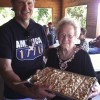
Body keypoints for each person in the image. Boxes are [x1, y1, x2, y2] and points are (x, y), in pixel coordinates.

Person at [0, 0, 55, 99]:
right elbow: (6, 69)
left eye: (29, 3)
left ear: (33, 4)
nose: (26, 8)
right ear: (13, 4)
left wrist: (68, 51)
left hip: (40, 89)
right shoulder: (4, 32)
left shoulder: (39, 28)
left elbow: (47, 52)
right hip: (16, 95)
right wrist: (29, 92)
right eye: (20, 2)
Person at [45, 18, 100, 100]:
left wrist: (97, 87)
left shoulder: (83, 56)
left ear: (76, 37)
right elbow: (47, 75)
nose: (65, 38)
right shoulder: (52, 53)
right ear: (58, 35)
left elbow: (93, 81)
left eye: (70, 35)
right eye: (62, 34)